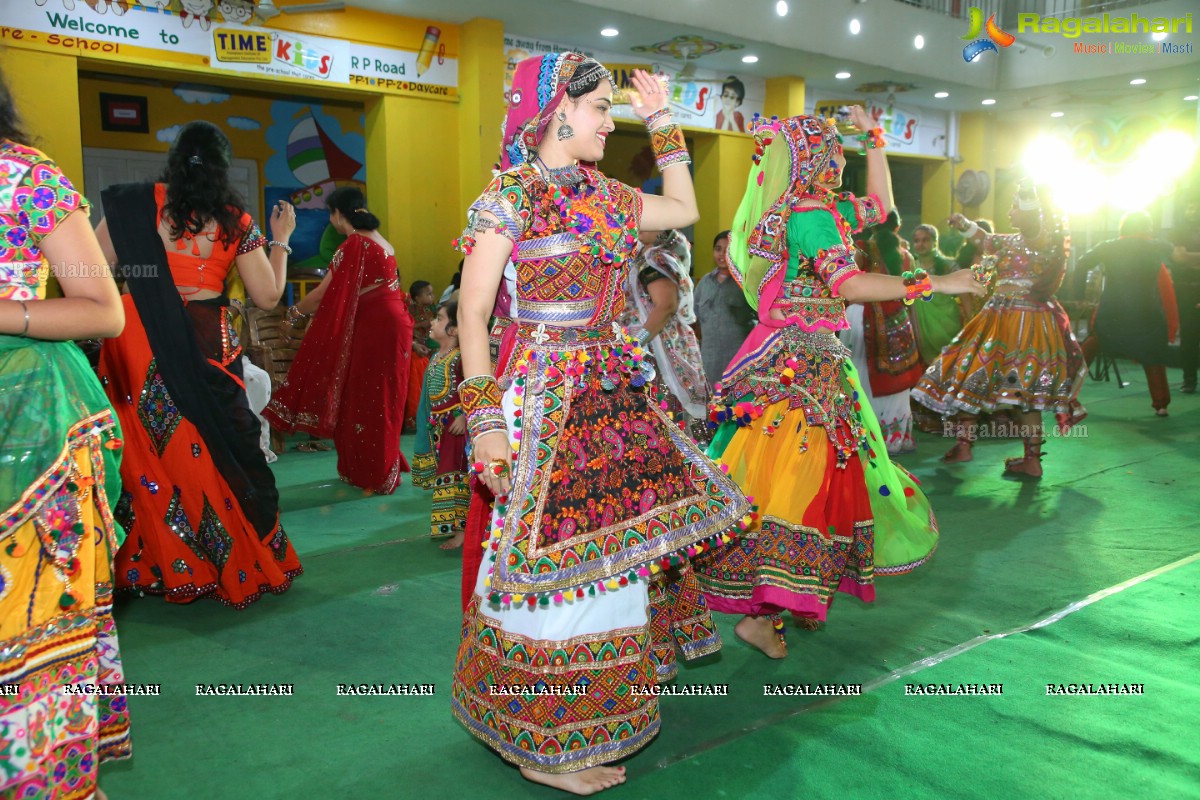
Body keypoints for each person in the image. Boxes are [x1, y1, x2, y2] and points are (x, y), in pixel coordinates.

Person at [450, 53, 751, 795]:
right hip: (544, 398)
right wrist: (486, 421)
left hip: (613, 394)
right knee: (551, 576)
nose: (608, 123)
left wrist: (665, 125)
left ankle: (581, 726)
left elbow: (682, 211)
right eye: (600, 110)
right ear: (558, 112)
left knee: (615, 563)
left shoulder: (609, 196)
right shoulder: (509, 197)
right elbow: (472, 311)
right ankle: (539, 740)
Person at [694, 110, 984, 659]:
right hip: (798, 369)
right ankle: (769, 603)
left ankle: (773, 607)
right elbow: (847, 282)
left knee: (802, 481)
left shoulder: (819, 208)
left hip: (809, 361)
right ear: (812, 158)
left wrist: (874, 138)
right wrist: (939, 281)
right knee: (798, 482)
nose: (842, 157)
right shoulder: (810, 215)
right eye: (834, 148)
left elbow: (883, 207)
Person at [96, 120, 302, 608]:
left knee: (149, 453)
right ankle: (228, 559)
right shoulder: (236, 221)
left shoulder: (136, 205)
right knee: (213, 448)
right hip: (208, 342)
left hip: (138, 339)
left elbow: (92, 265)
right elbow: (268, 296)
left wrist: (143, 278)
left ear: (174, 159)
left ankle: (165, 562)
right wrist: (282, 240)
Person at [0, 75, 130, 800]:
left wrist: (4, 310)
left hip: (29, 430)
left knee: (31, 614)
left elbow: (103, 311)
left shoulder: (25, 178)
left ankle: (46, 780)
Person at [913, 182, 1087, 478]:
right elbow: (985, 239)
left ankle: (1006, 454)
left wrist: (1037, 194)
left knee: (994, 383)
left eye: (1016, 206)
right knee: (979, 380)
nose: (1010, 211)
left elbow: (1013, 232)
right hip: (1005, 319)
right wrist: (965, 225)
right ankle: (985, 449)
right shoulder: (1013, 240)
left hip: (1018, 323)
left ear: (1033, 213)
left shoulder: (1042, 239)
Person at [264, 186, 413, 493]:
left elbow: (321, 294)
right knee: (383, 396)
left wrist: (292, 313)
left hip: (375, 327)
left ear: (336, 214)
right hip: (393, 325)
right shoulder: (382, 242)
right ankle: (378, 465)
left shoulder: (354, 244)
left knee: (363, 397)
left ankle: (370, 472)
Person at [1075, 211, 1175, 415]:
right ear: (1147, 228)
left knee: (1090, 348)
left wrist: (1079, 295)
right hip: (1146, 311)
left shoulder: (1108, 246)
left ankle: (1065, 392)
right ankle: (1161, 404)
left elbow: (1081, 264)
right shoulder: (1158, 246)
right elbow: (1177, 255)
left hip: (1114, 310)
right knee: (1153, 355)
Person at [843, 215, 926, 454]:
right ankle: (895, 437)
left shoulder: (862, 248)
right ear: (898, 226)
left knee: (858, 373)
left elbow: (849, 282)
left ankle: (864, 435)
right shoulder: (906, 255)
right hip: (897, 318)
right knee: (896, 380)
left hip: (861, 315)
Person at [617, 229, 709, 430]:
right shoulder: (646, 256)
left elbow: (666, 305)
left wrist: (635, 343)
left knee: (662, 418)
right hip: (648, 347)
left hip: (655, 350)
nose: (639, 227)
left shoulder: (655, 259)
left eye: (648, 223)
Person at [413, 301, 469, 549]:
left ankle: (462, 532)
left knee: (455, 477)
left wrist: (465, 415)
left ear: (454, 330)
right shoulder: (436, 356)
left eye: (439, 318)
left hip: (455, 429)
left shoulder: (462, 357)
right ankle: (456, 528)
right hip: (438, 429)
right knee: (445, 475)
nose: (433, 322)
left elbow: (475, 386)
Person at [694, 229, 756, 386]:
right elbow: (694, 321)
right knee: (710, 406)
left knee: (737, 408)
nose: (722, 255)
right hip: (709, 361)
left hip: (738, 362)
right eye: (718, 249)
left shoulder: (746, 283)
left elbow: (759, 321)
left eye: (727, 250)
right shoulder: (704, 283)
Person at [910, 222, 966, 362]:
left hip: (947, 321)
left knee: (949, 362)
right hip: (921, 325)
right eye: (917, 241)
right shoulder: (909, 267)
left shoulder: (948, 265)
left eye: (925, 240)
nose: (920, 244)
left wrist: (971, 317)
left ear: (935, 242)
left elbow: (964, 292)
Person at [1171, 201, 1200, 393]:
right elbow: (1179, 257)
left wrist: (1190, 257)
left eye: (1195, 206)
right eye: (1189, 206)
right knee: (1189, 335)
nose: (1192, 211)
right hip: (1186, 289)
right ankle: (1189, 380)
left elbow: (1184, 257)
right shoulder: (1179, 230)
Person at [406, 279, 436, 432]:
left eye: (432, 293)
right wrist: (421, 325)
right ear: (417, 298)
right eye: (428, 294)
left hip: (429, 348)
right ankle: (414, 418)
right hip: (415, 349)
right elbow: (406, 328)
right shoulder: (410, 311)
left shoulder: (433, 310)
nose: (432, 297)